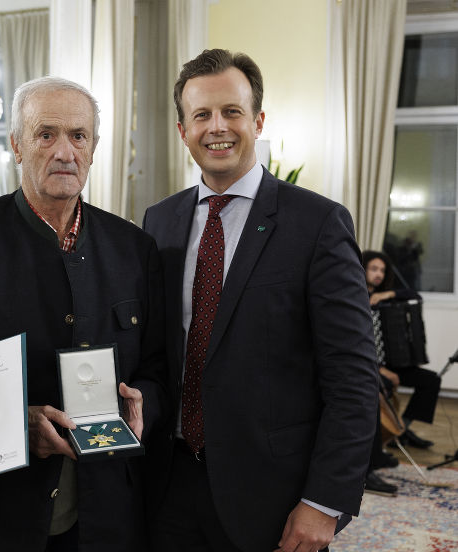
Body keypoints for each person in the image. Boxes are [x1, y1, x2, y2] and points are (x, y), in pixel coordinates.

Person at [0, 76, 167, 551]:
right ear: (18, 145)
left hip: (106, 517)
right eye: (46, 134)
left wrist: (141, 403)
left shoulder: (135, 249)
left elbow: (156, 368)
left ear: (94, 147)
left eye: (78, 136)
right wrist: (16, 422)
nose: (64, 151)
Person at [142, 49, 379, 552]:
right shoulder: (158, 221)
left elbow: (354, 378)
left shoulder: (317, 224)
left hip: (274, 497)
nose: (217, 127)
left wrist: (323, 502)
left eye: (232, 111)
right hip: (169, 486)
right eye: (201, 115)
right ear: (183, 130)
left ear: (258, 120)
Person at [363, 250, 441, 449]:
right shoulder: (355, 298)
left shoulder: (385, 300)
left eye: (382, 270)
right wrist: (380, 369)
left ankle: (401, 430)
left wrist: (387, 294)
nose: (378, 274)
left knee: (431, 380)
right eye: (373, 269)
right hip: (369, 367)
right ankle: (381, 440)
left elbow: (414, 296)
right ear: (362, 269)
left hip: (390, 364)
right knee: (386, 383)